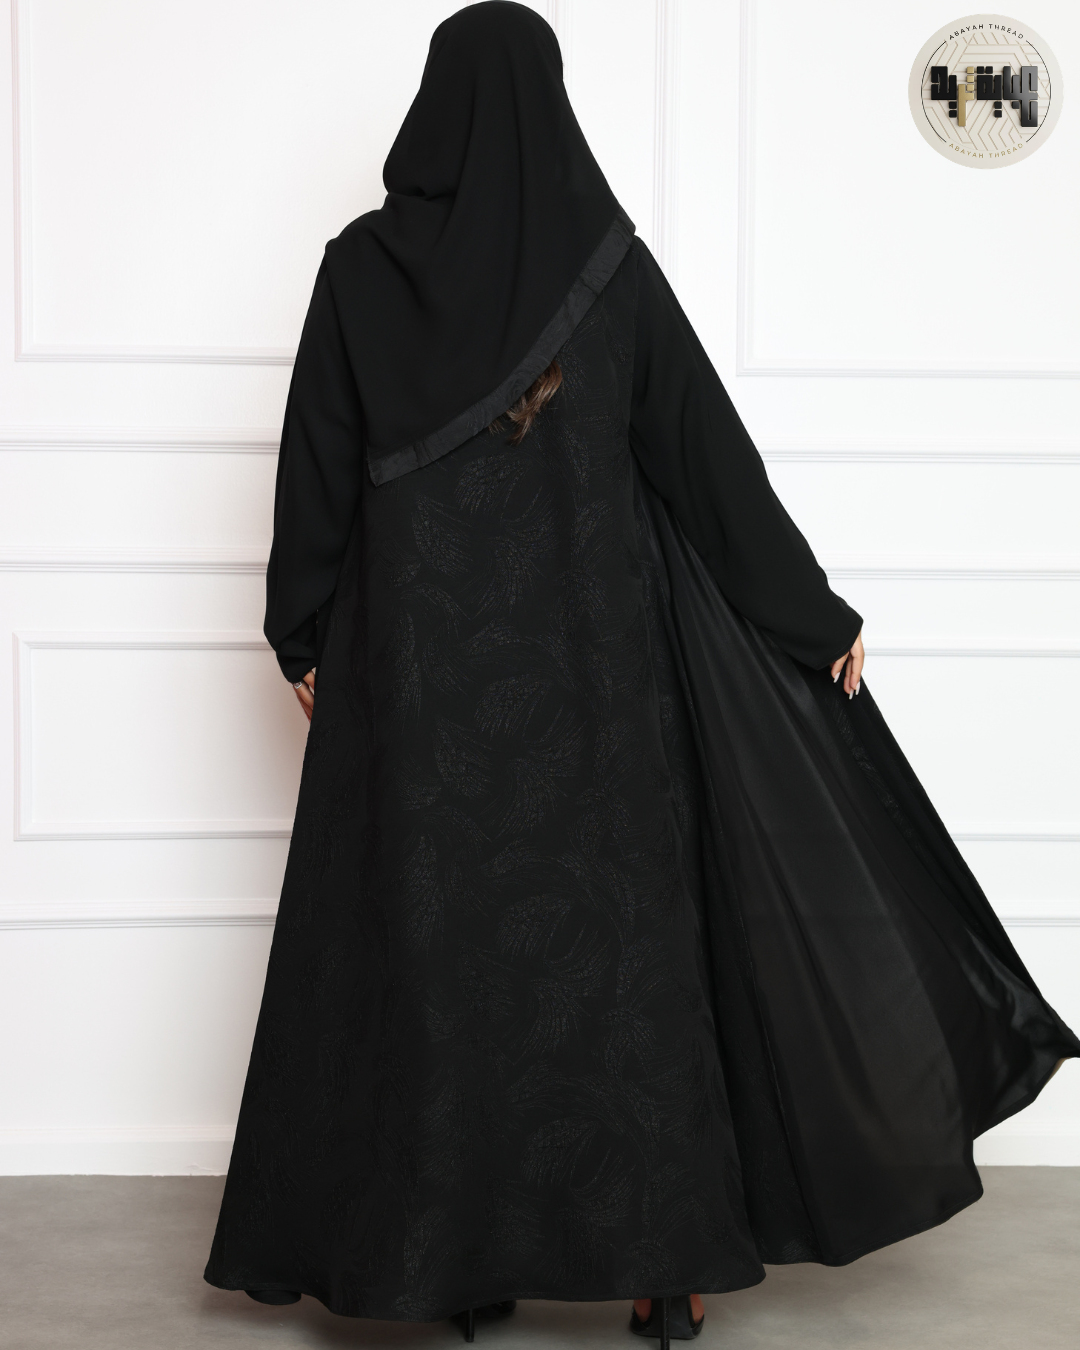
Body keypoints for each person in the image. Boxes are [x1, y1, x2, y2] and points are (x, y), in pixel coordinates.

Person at [204, 5, 1078, 1344]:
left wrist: (303, 632)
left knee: (447, 970)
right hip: (598, 687)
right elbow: (708, 462)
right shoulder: (605, 271)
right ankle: (665, 1274)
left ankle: (458, 1263)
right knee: (622, 965)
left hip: (425, 700)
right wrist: (809, 615)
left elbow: (312, 471)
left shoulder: (360, 275)